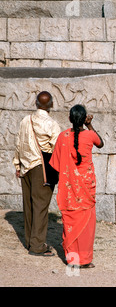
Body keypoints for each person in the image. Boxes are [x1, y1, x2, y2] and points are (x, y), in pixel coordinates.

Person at [50, 104, 104, 268]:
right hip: (86, 186)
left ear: (69, 119)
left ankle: (72, 260)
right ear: (84, 118)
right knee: (87, 223)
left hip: (69, 187)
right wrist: (89, 125)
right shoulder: (89, 136)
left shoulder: (62, 136)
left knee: (70, 221)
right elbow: (101, 143)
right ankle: (85, 260)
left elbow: (56, 163)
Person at [13, 91, 61, 256]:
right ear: (51, 105)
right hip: (42, 168)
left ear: (35, 103)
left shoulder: (26, 120)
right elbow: (57, 149)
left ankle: (29, 241)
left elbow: (18, 142)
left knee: (28, 206)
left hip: (26, 166)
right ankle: (37, 246)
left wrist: (17, 165)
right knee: (40, 206)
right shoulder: (52, 124)